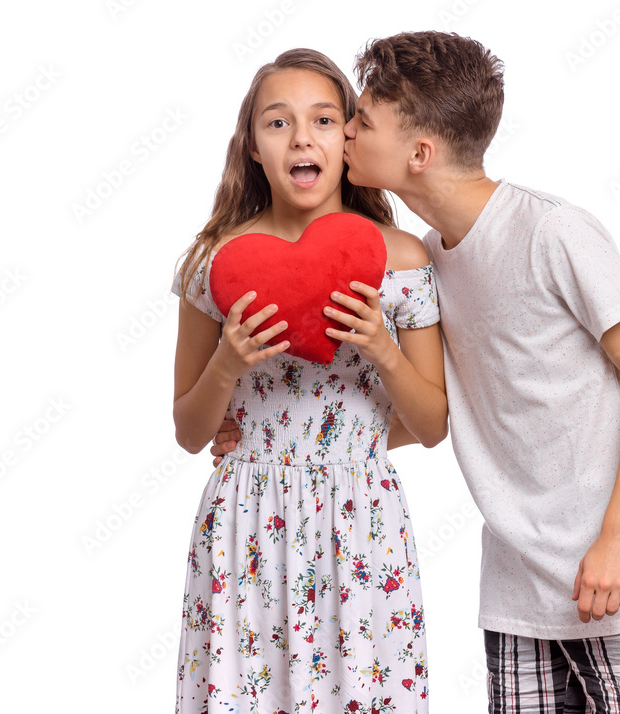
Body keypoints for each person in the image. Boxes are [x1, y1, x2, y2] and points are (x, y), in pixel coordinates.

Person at [213, 32, 620, 713]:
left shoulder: (552, 232)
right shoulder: (429, 262)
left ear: (420, 153)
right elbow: (440, 411)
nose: (343, 132)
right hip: (515, 597)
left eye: (361, 122)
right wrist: (286, 438)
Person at [171, 47, 447, 714]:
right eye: (278, 122)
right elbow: (188, 431)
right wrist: (228, 366)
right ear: (253, 147)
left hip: (361, 522)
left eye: (324, 120)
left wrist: (382, 347)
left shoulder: (401, 257)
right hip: (245, 525)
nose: (302, 137)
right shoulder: (214, 264)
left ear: (348, 138)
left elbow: (434, 424)